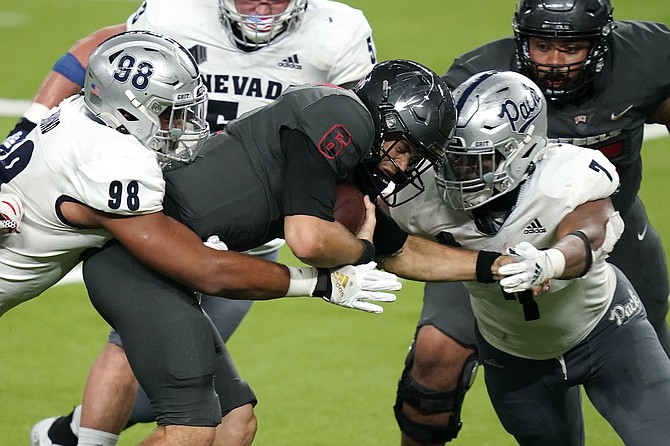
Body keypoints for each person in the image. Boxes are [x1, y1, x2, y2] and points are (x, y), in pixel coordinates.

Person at [20, 51, 517, 445]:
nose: (404, 165)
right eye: (407, 149)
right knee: (192, 431)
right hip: (145, 264)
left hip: (165, 271)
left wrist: (495, 267)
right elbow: (308, 238)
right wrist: (358, 253)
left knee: (235, 426)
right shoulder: (346, 118)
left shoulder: (344, 157)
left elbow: (403, 252)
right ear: (386, 123)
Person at [15, 0, 379, 442]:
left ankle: (68, 436)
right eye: (171, 112)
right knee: (186, 416)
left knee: (221, 414)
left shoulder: (77, 121)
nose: (188, 124)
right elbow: (206, 268)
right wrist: (323, 282)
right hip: (173, 230)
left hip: (225, 232)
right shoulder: (122, 163)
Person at [392, 1, 670, 444]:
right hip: (475, 238)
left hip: (604, 226)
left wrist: (554, 262)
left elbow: (592, 222)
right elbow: (389, 216)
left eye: (571, 47)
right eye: (542, 45)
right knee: (435, 359)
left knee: (648, 355)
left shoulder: (644, 63)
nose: (555, 62)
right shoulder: (469, 84)